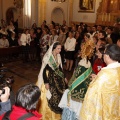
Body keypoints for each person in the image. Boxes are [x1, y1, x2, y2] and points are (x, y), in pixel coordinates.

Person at [80, 44, 120, 120]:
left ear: (107, 56)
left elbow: (92, 95)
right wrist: (97, 78)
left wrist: (95, 81)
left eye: (104, 53)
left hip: (105, 113)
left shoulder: (104, 74)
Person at [59, 38, 95, 120]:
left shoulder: (82, 63)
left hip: (77, 90)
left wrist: (69, 85)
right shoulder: (88, 63)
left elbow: (75, 76)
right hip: (85, 89)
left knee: (72, 109)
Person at [36, 42, 67, 120]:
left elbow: (60, 68)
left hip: (57, 78)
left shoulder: (59, 56)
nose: (60, 50)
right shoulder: (48, 57)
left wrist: (65, 77)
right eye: (58, 49)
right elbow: (43, 71)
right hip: (48, 77)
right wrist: (46, 82)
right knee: (51, 95)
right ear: (54, 48)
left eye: (60, 48)